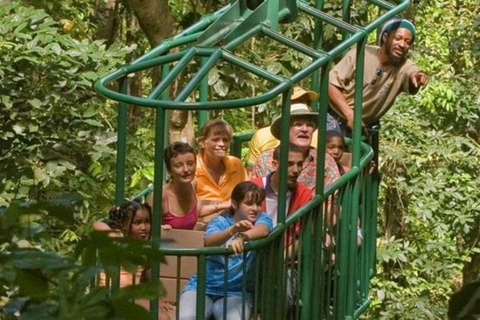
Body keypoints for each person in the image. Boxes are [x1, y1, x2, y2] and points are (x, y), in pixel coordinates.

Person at [179, 181, 273, 320]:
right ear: (235, 204)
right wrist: (232, 230)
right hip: (202, 287)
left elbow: (263, 229)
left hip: (236, 292)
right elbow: (209, 241)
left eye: (258, 204)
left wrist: (243, 236)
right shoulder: (220, 221)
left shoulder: (262, 219)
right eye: (249, 203)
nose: (255, 208)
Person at [328, 18, 429, 135]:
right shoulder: (362, 54)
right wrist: (350, 115)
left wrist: (418, 77)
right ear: (386, 38)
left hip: (361, 128)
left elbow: (412, 73)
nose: (402, 45)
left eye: (407, 42)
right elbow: (331, 84)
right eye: (398, 39)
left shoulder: (404, 65)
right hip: (333, 118)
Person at [96, 200, 171, 320]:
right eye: (137, 223)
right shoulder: (119, 237)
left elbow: (148, 275)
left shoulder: (145, 246)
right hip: (112, 291)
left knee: (163, 316)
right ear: (125, 224)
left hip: (132, 293)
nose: (144, 227)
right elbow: (96, 224)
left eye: (147, 222)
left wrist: (158, 299)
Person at [251, 103, 340, 191]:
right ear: (284, 130)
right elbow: (254, 195)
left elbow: (330, 201)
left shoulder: (325, 161)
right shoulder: (265, 160)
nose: (305, 129)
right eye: (298, 124)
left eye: (309, 125)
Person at [246, 86, 319, 171]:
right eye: (296, 102)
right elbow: (251, 172)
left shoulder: (316, 139)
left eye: (307, 102)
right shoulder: (265, 154)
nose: (305, 129)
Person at [195, 119, 248, 223]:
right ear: (202, 142)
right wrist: (223, 205)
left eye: (225, 140)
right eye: (216, 139)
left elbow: (248, 194)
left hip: (233, 223)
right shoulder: (192, 167)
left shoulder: (236, 164)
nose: (221, 144)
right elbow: (183, 210)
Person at [251, 144, 311, 227]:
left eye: (300, 164)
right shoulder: (252, 187)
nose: (296, 170)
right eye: (289, 164)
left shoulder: (303, 194)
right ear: (275, 164)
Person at [147, 142, 198, 230]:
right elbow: (145, 228)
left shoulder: (193, 185)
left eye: (190, 163)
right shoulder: (159, 196)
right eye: (178, 166)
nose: (186, 170)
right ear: (169, 170)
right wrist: (159, 229)